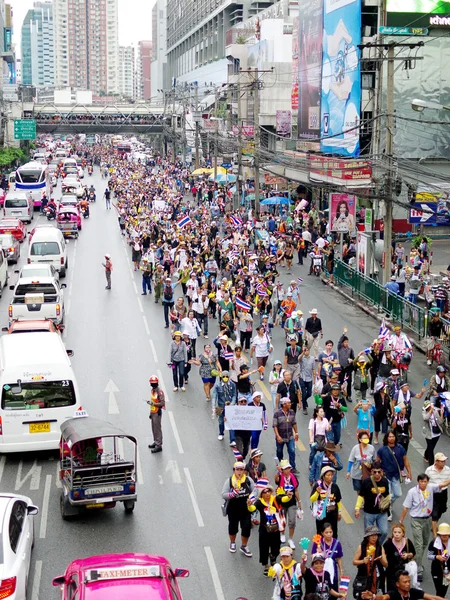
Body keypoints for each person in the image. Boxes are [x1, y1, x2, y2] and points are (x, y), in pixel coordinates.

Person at [400, 473, 450, 583]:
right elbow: (406, 507)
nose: (423, 483)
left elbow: (444, 484)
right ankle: (419, 568)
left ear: (427, 481)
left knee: (424, 543)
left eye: (425, 481)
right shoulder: (412, 492)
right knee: (418, 544)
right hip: (416, 520)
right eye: (421, 481)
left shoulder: (431, 488)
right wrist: (400, 521)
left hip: (427, 519)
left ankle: (414, 557)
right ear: (418, 482)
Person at [247, 485, 282, 575]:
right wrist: (249, 505)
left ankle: (272, 556)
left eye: (268, 492)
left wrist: (289, 496)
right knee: (264, 548)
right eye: (265, 492)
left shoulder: (275, 499)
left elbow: (284, 499)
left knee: (277, 548)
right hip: (264, 530)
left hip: (275, 529)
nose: (267, 494)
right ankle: (266, 566)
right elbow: (252, 509)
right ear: (261, 494)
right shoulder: (259, 502)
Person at [221, 461, 255, 556]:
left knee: (246, 527)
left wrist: (251, 499)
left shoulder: (248, 480)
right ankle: (232, 543)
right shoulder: (229, 481)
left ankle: (244, 546)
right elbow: (223, 494)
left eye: (241, 470)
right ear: (234, 470)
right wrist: (232, 494)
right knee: (233, 527)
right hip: (233, 509)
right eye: (237, 469)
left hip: (245, 509)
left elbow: (255, 491)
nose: (239, 472)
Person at [355, 461, 391, 543]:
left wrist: (388, 506)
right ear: (371, 472)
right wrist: (357, 509)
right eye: (375, 472)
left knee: (384, 532)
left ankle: (377, 546)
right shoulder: (366, 482)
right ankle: (368, 549)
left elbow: (387, 496)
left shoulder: (385, 482)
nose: (377, 474)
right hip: (369, 513)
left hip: (382, 512)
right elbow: (361, 496)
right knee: (369, 535)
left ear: (382, 471)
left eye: (379, 472)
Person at [377, 431, 412, 512]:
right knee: (388, 494)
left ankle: (387, 503)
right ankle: (388, 510)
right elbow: (377, 462)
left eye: (393, 436)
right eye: (389, 437)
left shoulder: (400, 448)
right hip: (386, 475)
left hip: (396, 475)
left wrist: (409, 472)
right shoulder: (382, 449)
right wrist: (379, 473)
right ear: (386, 438)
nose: (391, 438)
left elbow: (405, 460)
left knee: (397, 494)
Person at [274, 459, 302, 548]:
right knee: (282, 520)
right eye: (285, 468)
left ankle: (290, 539)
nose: (287, 470)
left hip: (292, 503)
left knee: (292, 521)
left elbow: (296, 490)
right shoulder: (280, 476)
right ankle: (282, 534)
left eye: (289, 468)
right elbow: (276, 479)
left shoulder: (293, 477)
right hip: (281, 502)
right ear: (282, 470)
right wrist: (278, 472)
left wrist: (299, 502)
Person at [353, 526, 388, 596]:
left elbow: (386, 564)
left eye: (376, 535)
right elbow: (354, 562)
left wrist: (380, 559)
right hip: (363, 576)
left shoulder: (380, 548)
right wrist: (363, 561)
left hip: (375, 577)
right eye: (372, 535)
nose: (374, 538)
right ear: (367, 537)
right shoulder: (362, 547)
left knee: (373, 596)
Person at [311, 521, 344, 592]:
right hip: (320, 572)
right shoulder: (317, 542)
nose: (329, 534)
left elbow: (339, 558)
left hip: (333, 571)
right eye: (326, 532)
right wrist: (318, 553)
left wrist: (341, 571)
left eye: (330, 532)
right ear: (322, 533)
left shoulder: (337, 543)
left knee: (333, 591)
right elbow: (312, 557)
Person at [383, 523, 417, 591]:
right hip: (391, 573)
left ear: (403, 534)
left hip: (404, 572)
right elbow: (383, 553)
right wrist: (385, 562)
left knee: (403, 591)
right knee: (392, 592)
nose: (397, 534)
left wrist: (408, 555)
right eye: (395, 532)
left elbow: (413, 553)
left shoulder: (407, 542)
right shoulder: (388, 543)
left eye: (399, 532)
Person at [426, 453, 450, 538]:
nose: (444, 463)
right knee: (435, 514)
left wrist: (442, 485)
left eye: (444, 461)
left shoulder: (447, 469)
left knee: (441, 510)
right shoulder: (429, 470)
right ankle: (435, 536)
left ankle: (434, 523)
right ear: (436, 461)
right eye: (441, 461)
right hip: (433, 494)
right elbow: (426, 481)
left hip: (443, 493)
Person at [273, 398, 299, 473]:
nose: (290, 404)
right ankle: (281, 466)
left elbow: (294, 423)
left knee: (292, 450)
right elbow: (275, 426)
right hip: (281, 436)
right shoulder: (277, 414)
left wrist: (296, 433)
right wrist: (278, 436)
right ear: (284, 405)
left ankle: (292, 467)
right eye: (288, 403)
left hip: (290, 436)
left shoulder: (292, 412)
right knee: (279, 451)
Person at [428, 522, 450, 598]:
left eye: (446, 534)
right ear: (439, 534)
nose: (444, 536)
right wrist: (437, 557)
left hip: (448, 571)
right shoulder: (434, 543)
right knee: (439, 591)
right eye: (442, 534)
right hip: (436, 569)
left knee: (444, 591)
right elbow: (429, 556)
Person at [215, 370, 236, 442]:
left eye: (227, 376)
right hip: (220, 406)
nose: (225, 378)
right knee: (221, 421)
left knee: (231, 422)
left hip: (230, 407)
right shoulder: (218, 386)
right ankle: (221, 433)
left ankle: (232, 439)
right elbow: (214, 396)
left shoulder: (233, 385)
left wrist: (232, 403)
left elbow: (234, 395)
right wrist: (213, 406)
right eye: (224, 376)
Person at [147, 375, 166, 454]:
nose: (153, 384)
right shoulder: (153, 391)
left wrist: (153, 404)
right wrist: (150, 413)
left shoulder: (159, 392)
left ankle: (159, 445)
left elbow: (162, 403)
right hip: (153, 412)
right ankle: (155, 441)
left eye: (154, 383)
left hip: (157, 412)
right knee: (154, 428)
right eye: (152, 383)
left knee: (157, 429)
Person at [423, 400, 445, 465]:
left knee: (431, 447)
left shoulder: (435, 412)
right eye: (428, 407)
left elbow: (440, 422)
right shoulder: (424, 412)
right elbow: (425, 418)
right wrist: (430, 411)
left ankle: (426, 455)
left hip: (436, 433)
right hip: (428, 434)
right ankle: (431, 464)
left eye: (430, 407)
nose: (429, 408)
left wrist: (441, 414)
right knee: (431, 449)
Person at [299, 345, 316, 414]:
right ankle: (304, 407)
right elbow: (298, 359)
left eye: (307, 350)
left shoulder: (312, 359)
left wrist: (314, 378)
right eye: (305, 350)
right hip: (302, 377)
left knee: (309, 393)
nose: (306, 352)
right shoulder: (301, 357)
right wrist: (302, 353)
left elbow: (313, 368)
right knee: (304, 393)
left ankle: (303, 400)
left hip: (309, 378)